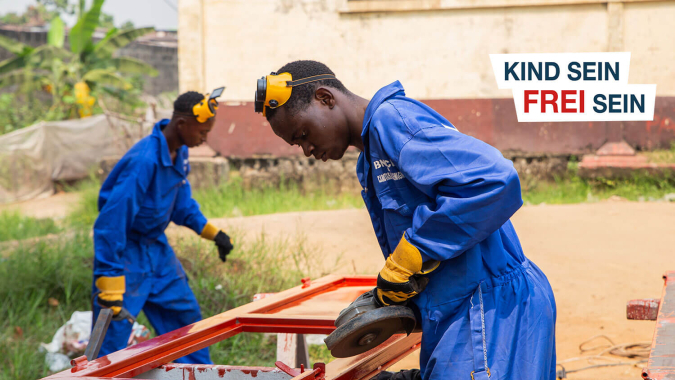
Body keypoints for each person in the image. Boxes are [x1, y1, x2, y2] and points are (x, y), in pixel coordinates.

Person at [254, 61, 557, 380]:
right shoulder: (370, 159)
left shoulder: (392, 119)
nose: (306, 149)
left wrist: (413, 252)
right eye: (297, 143)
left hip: (490, 309)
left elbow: (495, 180)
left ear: (325, 98)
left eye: (303, 134)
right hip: (461, 309)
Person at [91, 91, 234, 363]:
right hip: (126, 255)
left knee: (185, 321)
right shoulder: (144, 161)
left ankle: (198, 374)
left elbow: (182, 205)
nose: (205, 139)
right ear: (182, 124)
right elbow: (111, 223)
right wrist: (109, 281)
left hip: (157, 252)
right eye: (202, 132)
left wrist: (214, 233)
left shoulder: (179, 155)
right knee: (114, 331)